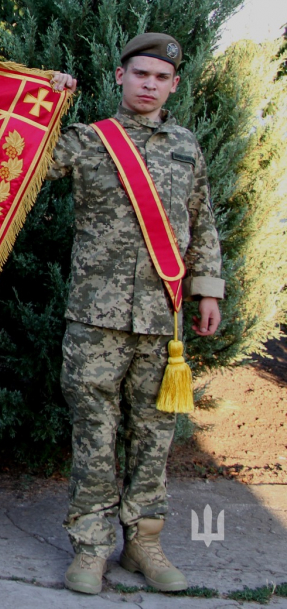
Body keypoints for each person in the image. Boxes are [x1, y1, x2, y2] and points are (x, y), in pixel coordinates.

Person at [47, 33, 223, 595]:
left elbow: (203, 223)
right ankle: (91, 548)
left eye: (161, 77)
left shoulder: (186, 147)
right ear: (119, 77)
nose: (149, 84)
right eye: (140, 74)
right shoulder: (87, 141)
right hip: (95, 319)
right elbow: (23, 162)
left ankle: (143, 543)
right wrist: (47, 104)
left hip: (161, 322)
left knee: (153, 435)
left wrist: (208, 292)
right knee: (94, 433)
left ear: (173, 85)